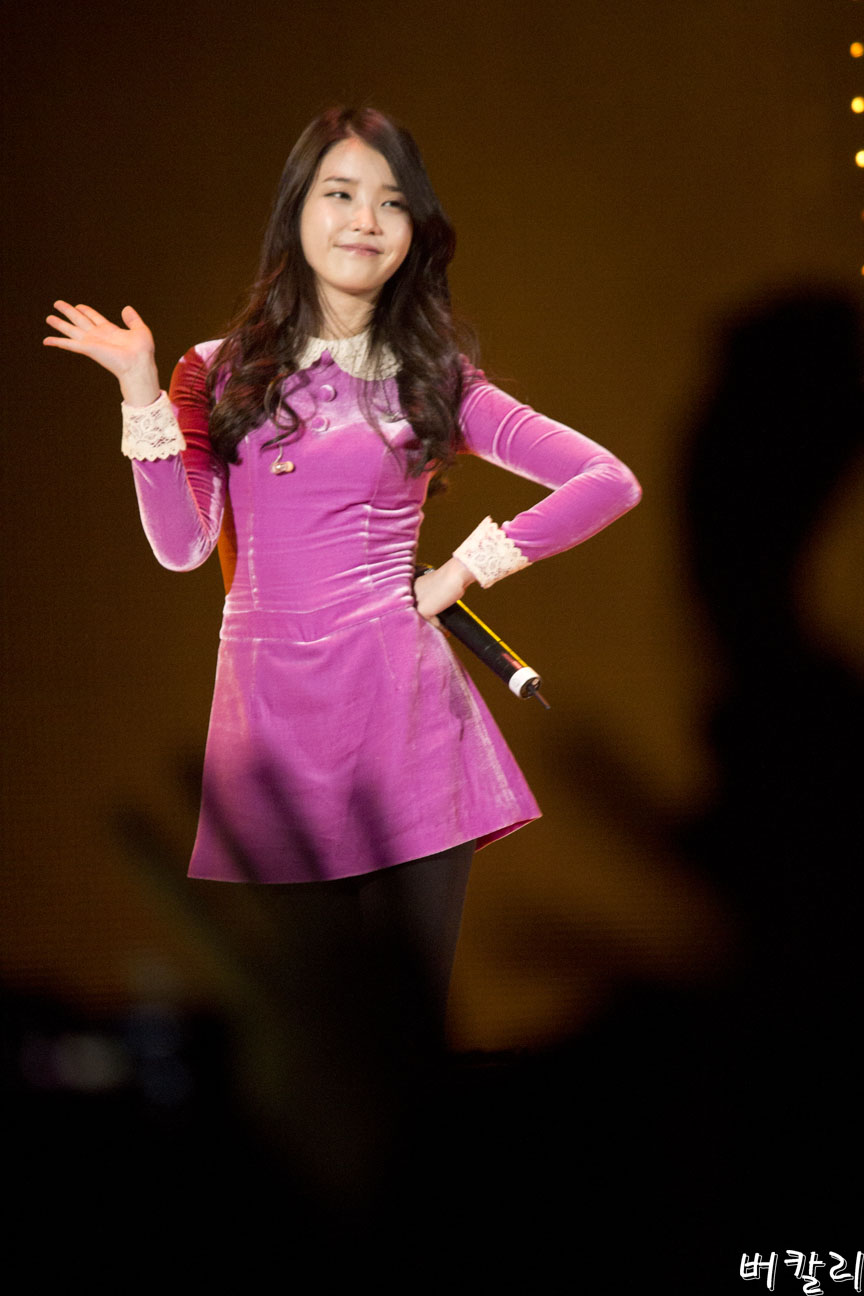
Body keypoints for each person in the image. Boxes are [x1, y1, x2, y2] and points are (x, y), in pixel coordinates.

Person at [44, 106, 641, 1210]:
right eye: (340, 193)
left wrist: (459, 573)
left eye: (391, 201)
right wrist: (138, 392)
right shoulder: (215, 372)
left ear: (415, 231)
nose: (365, 218)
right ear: (297, 214)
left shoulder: (434, 377)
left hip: (406, 721)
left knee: (409, 1053)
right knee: (302, 1053)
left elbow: (607, 479)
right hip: (272, 729)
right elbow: (182, 547)